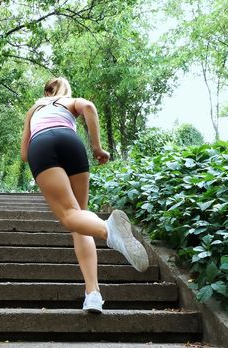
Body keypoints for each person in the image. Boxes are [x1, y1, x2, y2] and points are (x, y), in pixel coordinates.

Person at [20, 77, 149, 314]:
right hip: (71, 142)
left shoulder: (35, 107)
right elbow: (89, 107)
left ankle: (110, 231)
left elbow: (25, 154)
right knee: (81, 219)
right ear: (64, 90)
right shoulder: (69, 102)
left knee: (69, 215)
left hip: (42, 144)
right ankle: (93, 294)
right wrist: (98, 148)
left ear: (47, 90)